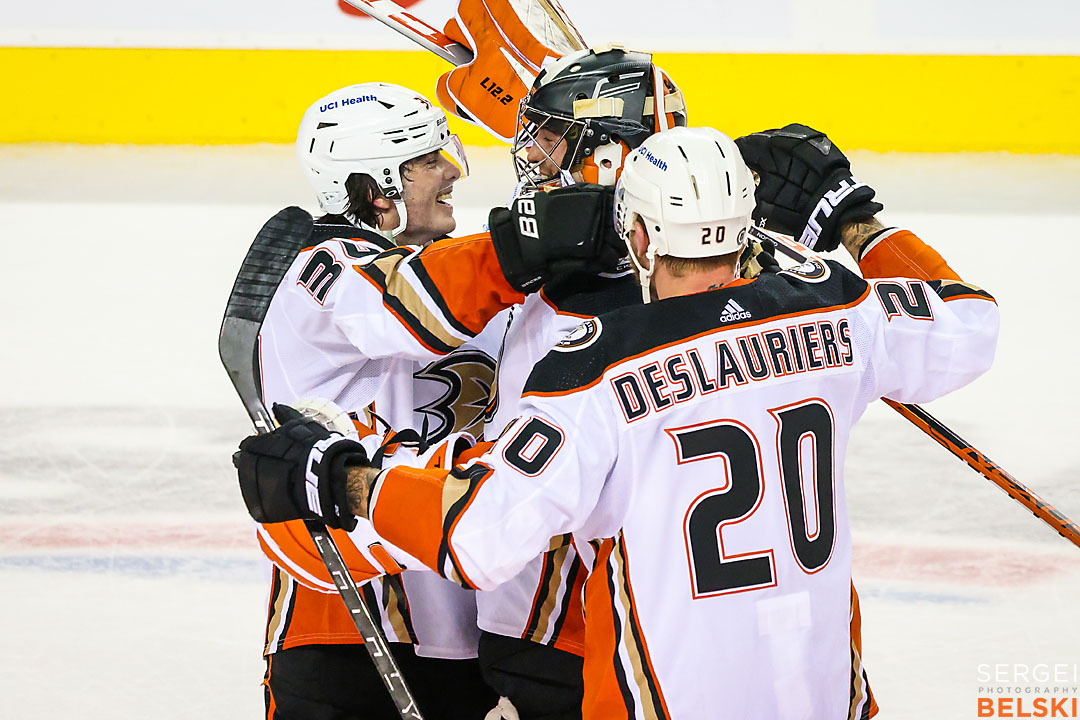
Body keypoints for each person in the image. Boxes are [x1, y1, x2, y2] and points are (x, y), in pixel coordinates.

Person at [235, 125, 999, 718]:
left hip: (665, 699)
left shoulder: (598, 374)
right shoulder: (842, 308)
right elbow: (969, 321)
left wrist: (343, 479)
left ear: (636, 237)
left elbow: (476, 534)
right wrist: (858, 222)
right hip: (825, 690)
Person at [248, 80, 623, 720]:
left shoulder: (475, 282)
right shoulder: (319, 272)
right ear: (376, 188)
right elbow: (411, 303)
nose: (451, 170)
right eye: (427, 160)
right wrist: (531, 241)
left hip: (466, 623)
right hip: (344, 622)